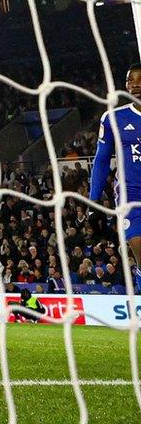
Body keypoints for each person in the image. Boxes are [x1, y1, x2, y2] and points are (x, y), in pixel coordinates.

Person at [89, 63, 141, 294]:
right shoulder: (113, 118)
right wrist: (94, 202)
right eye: (131, 80)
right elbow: (101, 161)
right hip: (131, 198)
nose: (135, 85)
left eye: (140, 80)